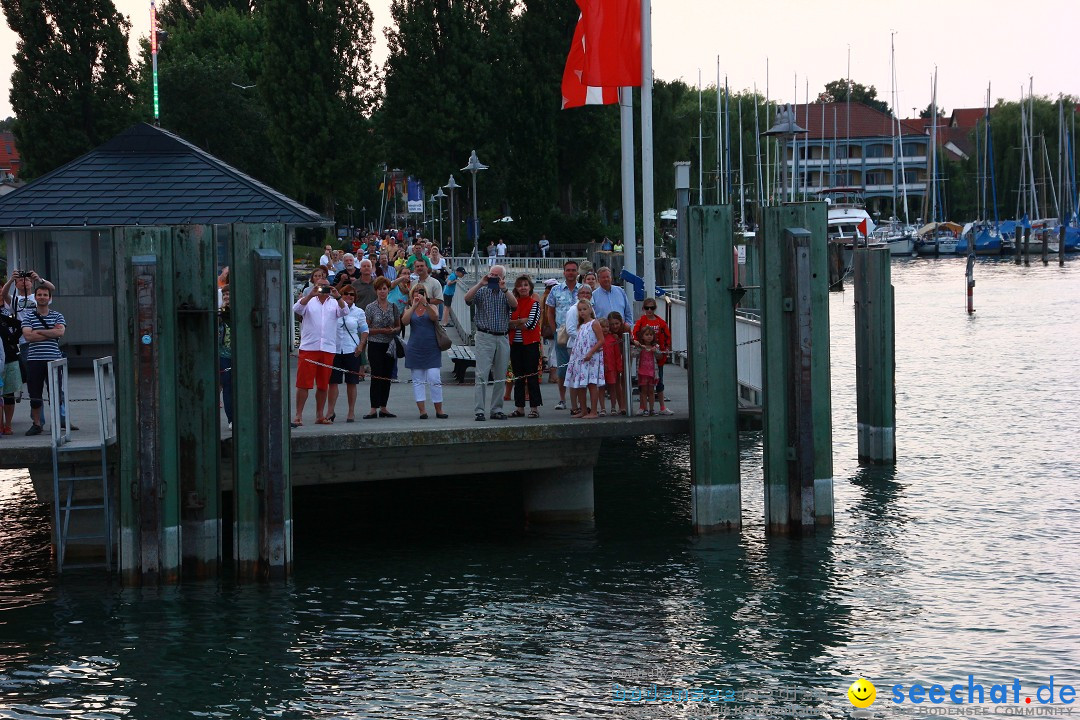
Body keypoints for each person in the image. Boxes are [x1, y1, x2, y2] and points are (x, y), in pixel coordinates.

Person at [291, 273, 348, 427]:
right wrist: (310, 295)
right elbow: (296, 308)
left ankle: (320, 415)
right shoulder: (309, 300)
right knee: (303, 384)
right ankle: (298, 415)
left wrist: (338, 296)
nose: (322, 289)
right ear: (314, 285)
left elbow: (345, 311)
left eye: (325, 286)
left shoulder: (334, 302)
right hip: (309, 347)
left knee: (323, 385)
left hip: (328, 348)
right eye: (320, 285)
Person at [464, 263, 516, 421]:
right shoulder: (482, 291)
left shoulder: (505, 292)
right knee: (481, 375)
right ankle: (479, 410)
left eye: (496, 275)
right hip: (484, 336)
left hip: (502, 336)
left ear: (503, 278)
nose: (493, 277)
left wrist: (504, 289)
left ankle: (497, 409)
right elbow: (467, 299)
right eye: (491, 274)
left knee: (500, 375)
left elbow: (515, 305)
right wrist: (481, 283)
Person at [20, 285, 68, 435]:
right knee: (35, 394)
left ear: (49, 297)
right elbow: (28, 336)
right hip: (34, 360)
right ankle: (37, 424)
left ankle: (56, 423)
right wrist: (50, 333)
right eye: (39, 294)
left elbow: (60, 332)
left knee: (55, 393)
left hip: (54, 360)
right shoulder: (28, 317)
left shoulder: (58, 316)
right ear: (35, 297)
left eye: (45, 294)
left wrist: (38, 331)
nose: (42, 297)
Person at [402, 285, 447, 419]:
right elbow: (404, 321)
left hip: (432, 347)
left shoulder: (431, 307)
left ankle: (439, 409)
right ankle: (422, 411)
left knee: (434, 378)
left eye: (421, 292)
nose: (418, 294)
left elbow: (434, 317)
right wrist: (414, 306)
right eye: (416, 291)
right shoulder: (409, 308)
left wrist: (425, 303)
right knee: (418, 380)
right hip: (415, 348)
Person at [544, 260, 583, 411]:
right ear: (564, 272)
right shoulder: (556, 290)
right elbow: (550, 311)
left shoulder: (583, 289)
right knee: (562, 368)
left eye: (573, 270)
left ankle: (579, 401)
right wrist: (555, 331)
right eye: (568, 270)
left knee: (579, 368)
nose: (571, 273)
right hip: (562, 332)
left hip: (580, 334)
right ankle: (562, 399)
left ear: (577, 272)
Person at [327, 286, 369, 423]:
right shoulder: (333, 308)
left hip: (352, 349)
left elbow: (364, 330)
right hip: (335, 349)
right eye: (345, 294)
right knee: (333, 382)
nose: (349, 296)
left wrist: (361, 345)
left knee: (352, 382)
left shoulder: (359, 312)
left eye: (352, 294)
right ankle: (330, 410)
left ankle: (351, 412)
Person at [364, 277, 400, 419]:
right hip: (375, 344)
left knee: (387, 376)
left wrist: (393, 330)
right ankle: (373, 407)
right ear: (376, 291)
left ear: (388, 290)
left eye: (384, 289)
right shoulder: (370, 307)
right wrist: (381, 331)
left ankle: (384, 407)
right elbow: (366, 328)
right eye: (380, 289)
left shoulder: (393, 307)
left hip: (389, 345)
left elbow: (398, 326)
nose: (382, 291)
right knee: (376, 375)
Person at [508, 275, 543, 418]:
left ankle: (534, 408)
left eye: (525, 285)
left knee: (532, 376)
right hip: (515, 345)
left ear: (530, 287)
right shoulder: (512, 304)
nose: (523, 287)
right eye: (520, 285)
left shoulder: (534, 303)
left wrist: (515, 323)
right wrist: (520, 321)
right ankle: (520, 407)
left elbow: (531, 325)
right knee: (518, 377)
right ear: (516, 288)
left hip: (530, 345)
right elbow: (507, 323)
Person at [632, 298, 673, 415]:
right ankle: (642, 407)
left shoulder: (661, 322)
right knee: (643, 385)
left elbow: (667, 336)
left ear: (655, 309)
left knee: (659, 382)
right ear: (643, 308)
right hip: (643, 359)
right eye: (647, 308)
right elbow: (635, 334)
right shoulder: (641, 321)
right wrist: (636, 342)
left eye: (652, 308)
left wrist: (667, 348)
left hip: (656, 358)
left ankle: (662, 407)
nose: (649, 310)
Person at [564, 300, 604, 420]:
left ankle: (593, 411)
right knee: (580, 385)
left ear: (590, 309)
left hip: (591, 359)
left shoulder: (594, 323)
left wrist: (591, 352)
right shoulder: (580, 325)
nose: (582, 312)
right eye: (580, 310)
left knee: (592, 384)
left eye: (584, 309)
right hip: (580, 359)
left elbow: (601, 340)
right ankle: (583, 409)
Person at [0, 304, 20, 435]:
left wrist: (12, 339)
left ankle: (8, 425)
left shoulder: (3, 318)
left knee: (8, 394)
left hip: (10, 359)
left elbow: (20, 325)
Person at [604, 311, 626, 415]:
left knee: (625, 380)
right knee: (616, 381)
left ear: (621, 322)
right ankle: (620, 406)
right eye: (612, 324)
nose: (614, 326)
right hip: (613, 357)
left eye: (617, 323)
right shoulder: (607, 333)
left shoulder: (626, 328)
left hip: (626, 353)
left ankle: (625, 405)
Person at [634, 325, 661, 415]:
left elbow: (660, 356)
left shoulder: (655, 347)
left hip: (652, 372)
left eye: (651, 334)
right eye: (646, 334)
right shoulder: (640, 347)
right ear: (642, 336)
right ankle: (645, 408)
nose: (649, 336)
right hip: (642, 372)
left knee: (651, 391)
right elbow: (633, 354)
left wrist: (655, 351)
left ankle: (652, 409)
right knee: (644, 391)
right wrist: (638, 347)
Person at [219, 288, 233, 429]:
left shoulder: (239, 311)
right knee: (227, 386)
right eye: (225, 294)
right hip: (224, 354)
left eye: (229, 294)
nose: (227, 296)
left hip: (240, 354)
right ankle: (231, 419)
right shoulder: (220, 313)